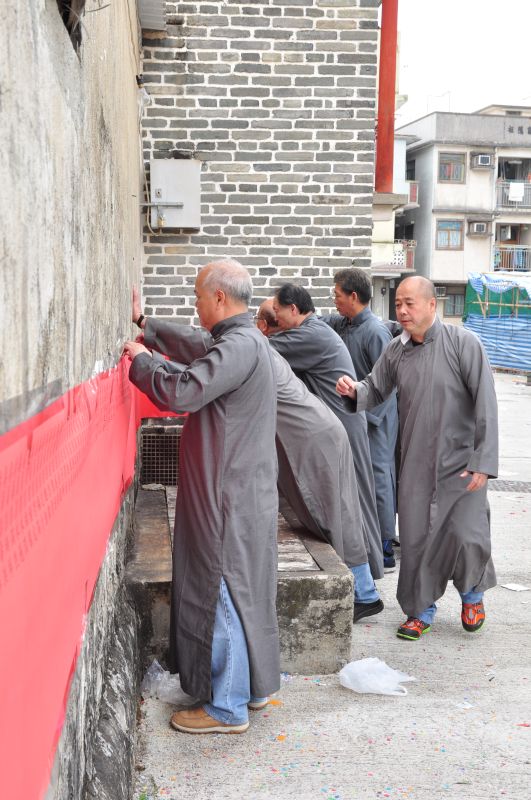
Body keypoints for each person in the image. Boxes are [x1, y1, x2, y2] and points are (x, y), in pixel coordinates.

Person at [123, 259, 280, 733]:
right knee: (244, 588)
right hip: (241, 486)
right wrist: (147, 326)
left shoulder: (239, 345)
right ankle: (250, 688)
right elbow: (197, 346)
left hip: (226, 491)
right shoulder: (243, 339)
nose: (195, 304)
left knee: (220, 585)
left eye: (197, 296)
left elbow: (186, 390)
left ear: (219, 297)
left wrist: (142, 363)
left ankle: (227, 706)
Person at [336, 276, 498, 641]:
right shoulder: (397, 349)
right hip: (414, 461)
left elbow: (486, 403)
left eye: (410, 303)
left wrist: (483, 461)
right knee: (415, 539)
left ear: (431, 304)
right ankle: (419, 610)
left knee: (467, 533)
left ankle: (472, 597)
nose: (403, 310)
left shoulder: (464, 343)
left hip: (462, 463)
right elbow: (375, 387)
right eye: (398, 304)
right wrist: (354, 390)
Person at [255, 299, 382, 622]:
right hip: (329, 428)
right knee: (343, 511)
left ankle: (366, 590)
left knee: (343, 513)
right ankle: (365, 586)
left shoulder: (294, 340)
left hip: (332, 430)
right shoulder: (301, 336)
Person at [324, 268, 399, 572]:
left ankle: (384, 544)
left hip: (374, 417)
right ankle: (367, 541)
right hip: (355, 412)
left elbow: (388, 383)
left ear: (353, 296)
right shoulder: (344, 325)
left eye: (337, 295)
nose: (334, 300)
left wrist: (367, 416)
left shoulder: (375, 332)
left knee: (378, 477)